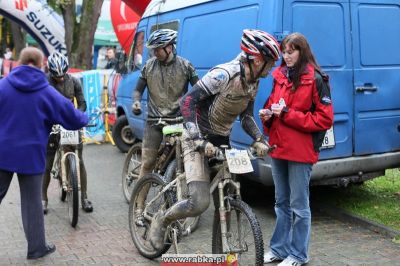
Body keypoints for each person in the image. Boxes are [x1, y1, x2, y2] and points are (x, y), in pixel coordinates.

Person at [147, 29, 281, 250]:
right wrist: (198, 139)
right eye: (270, 62)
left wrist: (259, 138)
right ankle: (162, 220)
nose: (272, 67)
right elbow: (187, 103)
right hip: (196, 138)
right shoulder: (224, 74)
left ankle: (220, 252)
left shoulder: (253, 81)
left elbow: (246, 116)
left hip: (221, 140)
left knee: (227, 198)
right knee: (199, 202)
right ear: (257, 60)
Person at [0, 47, 88, 259]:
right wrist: (86, 119)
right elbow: (72, 117)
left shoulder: (3, 86)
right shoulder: (46, 91)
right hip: (31, 156)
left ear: (19, 62)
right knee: (32, 203)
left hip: (3, 153)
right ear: (42, 65)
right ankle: (36, 248)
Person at [261, 33, 333, 266]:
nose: (286, 55)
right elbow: (272, 103)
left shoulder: (316, 79)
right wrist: (267, 115)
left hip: (300, 152)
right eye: (284, 51)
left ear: (302, 51)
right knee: (281, 203)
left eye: (291, 51)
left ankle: (298, 255)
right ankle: (279, 249)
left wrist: (288, 115)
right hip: (278, 147)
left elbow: (324, 119)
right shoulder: (279, 75)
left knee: (299, 208)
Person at [130, 28, 199, 223]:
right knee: (148, 164)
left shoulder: (186, 66)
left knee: (188, 162)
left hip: (178, 121)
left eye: (158, 49)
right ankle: (139, 208)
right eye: (153, 50)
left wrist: (201, 106)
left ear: (170, 47)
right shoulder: (148, 66)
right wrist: (136, 101)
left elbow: (198, 89)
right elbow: (137, 90)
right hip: (154, 122)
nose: (154, 53)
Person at [42, 52, 93, 213]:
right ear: (50, 72)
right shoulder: (44, 83)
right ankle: (43, 199)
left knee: (80, 160)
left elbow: (83, 103)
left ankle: (84, 197)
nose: (61, 78)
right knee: (47, 164)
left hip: (70, 124)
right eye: (57, 76)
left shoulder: (75, 81)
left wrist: (78, 116)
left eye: (63, 75)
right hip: (52, 125)